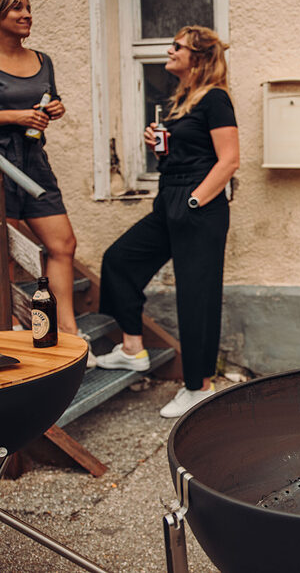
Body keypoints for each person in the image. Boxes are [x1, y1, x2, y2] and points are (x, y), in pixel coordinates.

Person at [96, 26, 239, 418]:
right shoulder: (179, 102)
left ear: (198, 57)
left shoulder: (215, 99)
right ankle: (131, 349)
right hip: (169, 200)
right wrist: (160, 146)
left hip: (199, 206)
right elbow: (185, 156)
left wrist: (194, 200)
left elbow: (229, 160)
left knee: (196, 297)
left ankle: (198, 387)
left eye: (178, 46)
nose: (169, 50)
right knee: (120, 260)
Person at [0, 0, 79, 338]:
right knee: (7, 255)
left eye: (29, 8)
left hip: (34, 162)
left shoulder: (43, 60)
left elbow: (47, 100)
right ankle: (14, 333)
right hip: (2, 165)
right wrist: (14, 116)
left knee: (63, 245)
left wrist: (55, 109)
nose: (27, 15)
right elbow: (19, 113)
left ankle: (68, 333)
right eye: (17, 8)